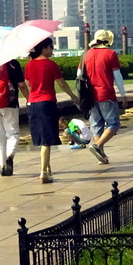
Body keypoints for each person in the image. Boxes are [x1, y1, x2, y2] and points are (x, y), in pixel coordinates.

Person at [24, 37, 79, 184]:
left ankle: (48, 170)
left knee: (41, 138)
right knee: (46, 140)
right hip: (47, 102)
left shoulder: (29, 65)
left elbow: (28, 84)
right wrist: (73, 96)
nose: (52, 50)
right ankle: (43, 172)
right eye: (50, 47)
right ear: (44, 49)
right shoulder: (50, 64)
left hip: (33, 103)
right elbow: (61, 83)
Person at [80, 29, 126, 165]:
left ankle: (101, 156)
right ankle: (98, 146)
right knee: (114, 124)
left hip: (90, 95)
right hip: (106, 93)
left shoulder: (86, 55)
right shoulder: (110, 54)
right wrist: (123, 95)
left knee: (97, 125)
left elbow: (79, 74)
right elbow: (117, 76)